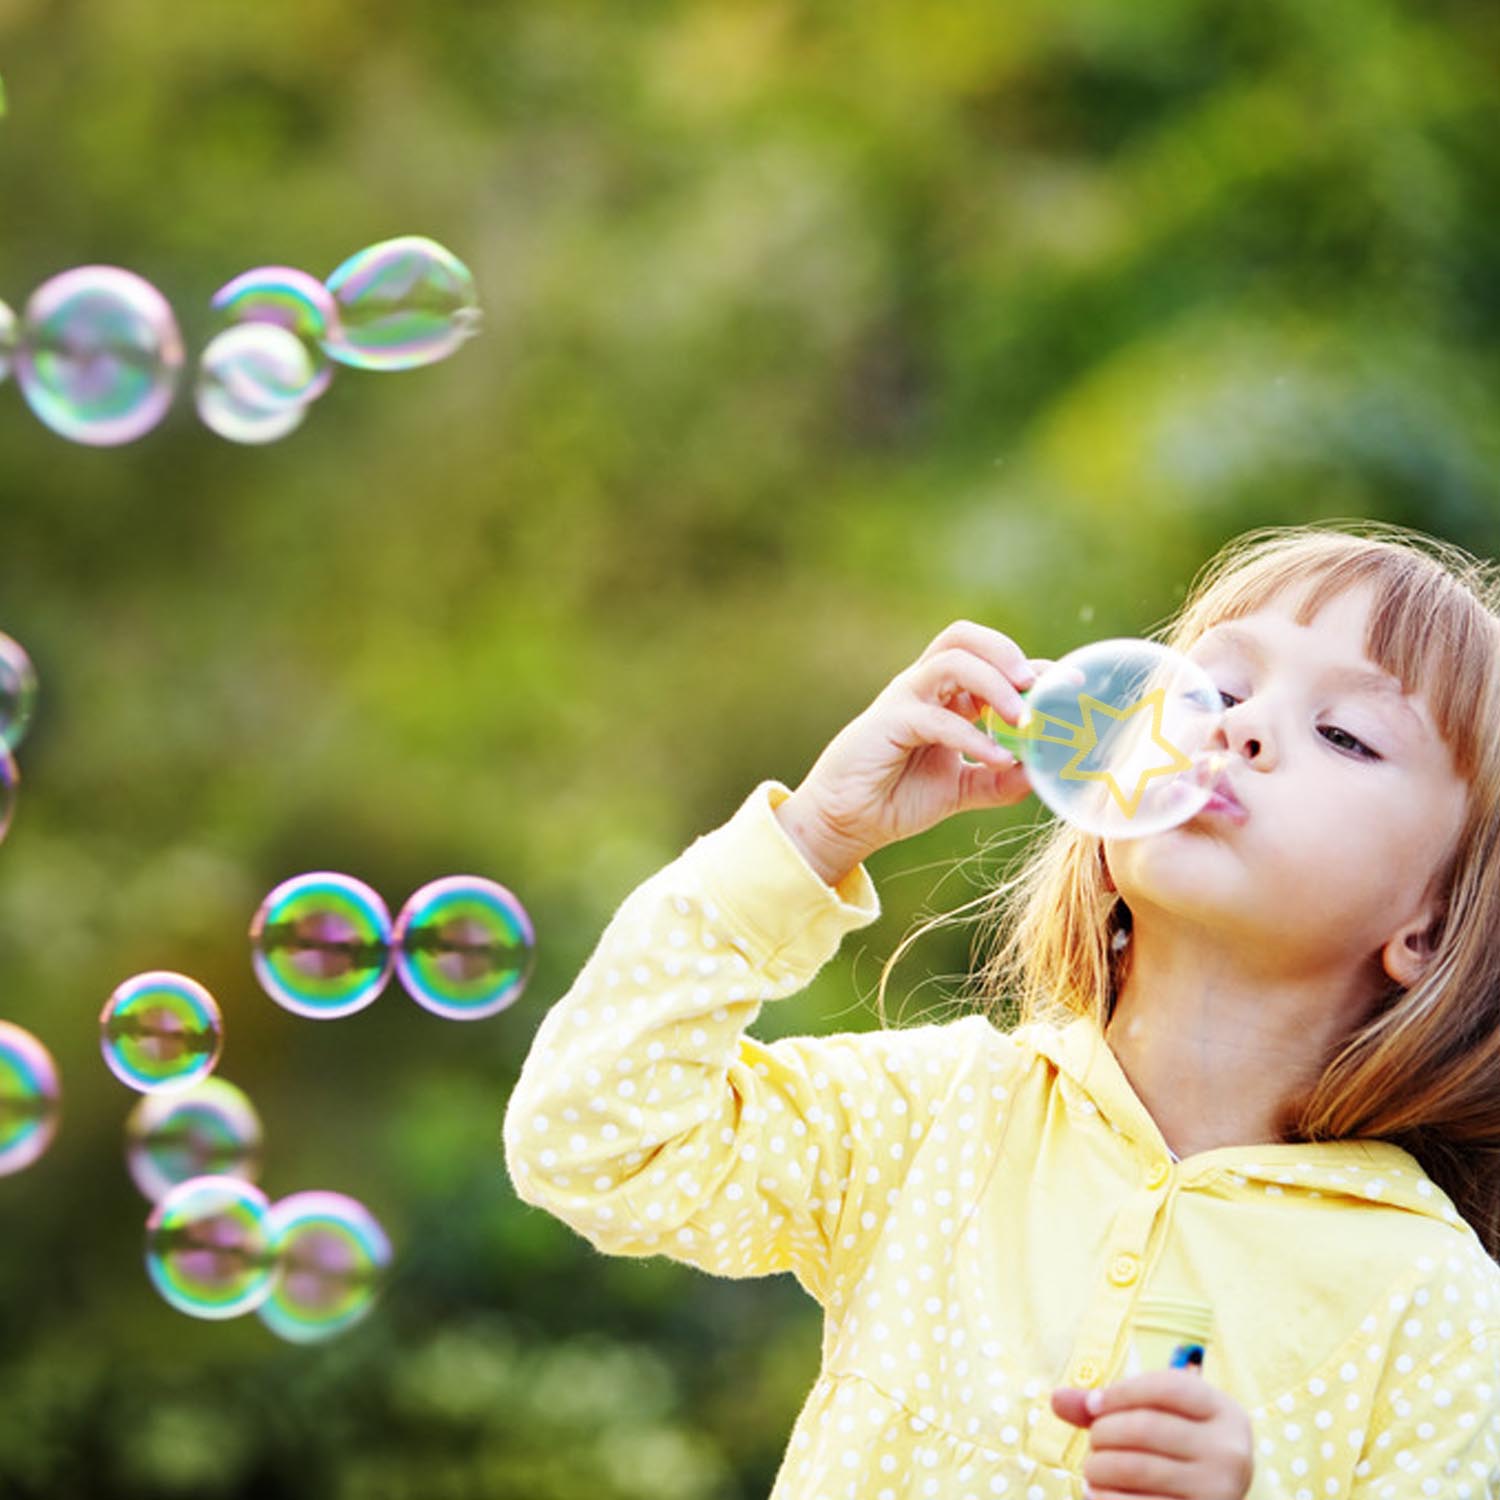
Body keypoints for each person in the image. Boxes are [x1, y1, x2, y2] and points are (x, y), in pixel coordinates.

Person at [503, 521, 1500, 1499]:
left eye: (1343, 734)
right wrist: (814, 835)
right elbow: (594, 1139)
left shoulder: (1436, 1308)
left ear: (1433, 922)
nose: (1238, 727)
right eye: (1219, 687)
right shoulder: (939, 1117)